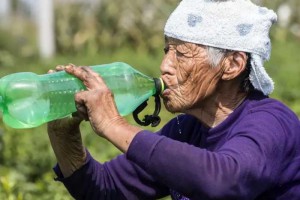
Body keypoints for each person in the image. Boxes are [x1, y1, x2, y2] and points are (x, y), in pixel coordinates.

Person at [47, 0, 300, 199]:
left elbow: (224, 181)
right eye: (167, 51)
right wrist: (63, 134)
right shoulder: (186, 130)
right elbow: (105, 189)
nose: (164, 66)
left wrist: (114, 124)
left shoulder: (271, 122)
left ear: (232, 65)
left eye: (182, 54)